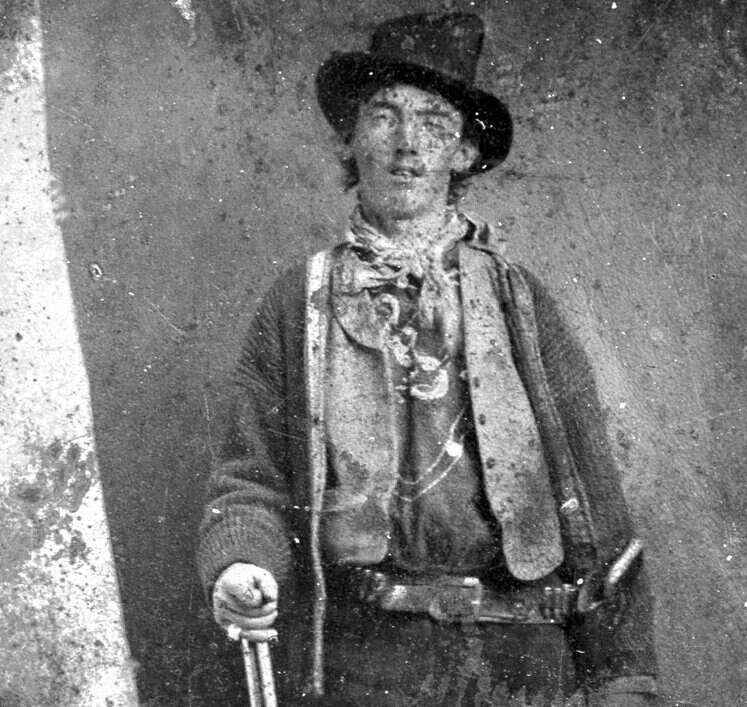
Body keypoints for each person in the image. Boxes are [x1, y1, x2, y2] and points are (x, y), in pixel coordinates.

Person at [197, 12, 658, 706]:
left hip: (519, 665)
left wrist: (623, 679)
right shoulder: (300, 303)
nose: (407, 144)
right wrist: (240, 562)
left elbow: (597, 508)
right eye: (384, 116)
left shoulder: (522, 304)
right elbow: (249, 477)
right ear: (350, 138)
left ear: (465, 151)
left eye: (434, 123)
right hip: (367, 665)